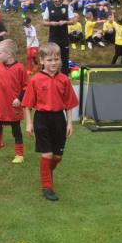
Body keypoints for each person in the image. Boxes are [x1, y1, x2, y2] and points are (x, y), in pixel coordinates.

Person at [19, 42, 79, 201]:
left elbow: (69, 103)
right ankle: (47, 187)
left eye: (56, 59)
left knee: (57, 157)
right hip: (42, 119)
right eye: (50, 60)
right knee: (47, 154)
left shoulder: (64, 80)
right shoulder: (35, 80)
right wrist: (29, 123)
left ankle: (47, 172)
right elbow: (27, 104)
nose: (54, 63)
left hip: (59, 119)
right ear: (42, 60)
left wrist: (70, 123)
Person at [0, 39, 27, 164]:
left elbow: (26, 87)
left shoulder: (20, 68)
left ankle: (19, 154)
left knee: (16, 130)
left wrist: (19, 99)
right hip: (0, 105)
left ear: (9, 54)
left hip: (13, 106)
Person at [42, 0, 74, 74]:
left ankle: (65, 77)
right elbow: (44, 22)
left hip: (64, 38)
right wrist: (51, 23)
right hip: (53, 38)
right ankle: (49, 74)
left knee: (64, 58)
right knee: (50, 57)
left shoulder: (67, 7)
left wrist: (65, 22)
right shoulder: (48, 8)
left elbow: (73, 21)